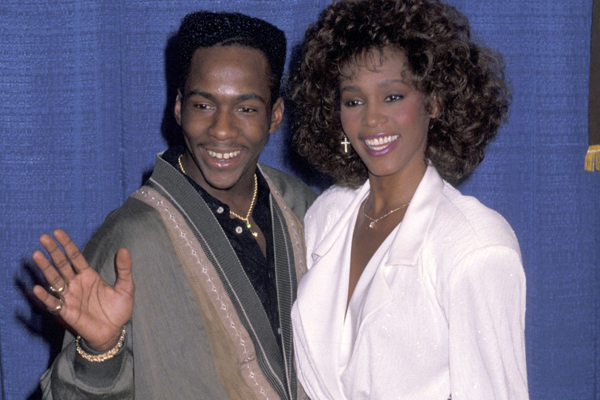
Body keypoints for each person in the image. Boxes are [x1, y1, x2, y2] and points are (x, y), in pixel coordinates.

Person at [32, 11, 316, 400]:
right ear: (179, 107)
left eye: (246, 108)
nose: (221, 129)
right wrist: (100, 351)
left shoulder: (304, 208)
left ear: (275, 115)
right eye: (203, 105)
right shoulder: (132, 239)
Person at [288, 0, 528, 399]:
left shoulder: (475, 245)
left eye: (393, 96)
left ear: (434, 101)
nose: (372, 119)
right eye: (353, 101)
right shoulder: (328, 216)